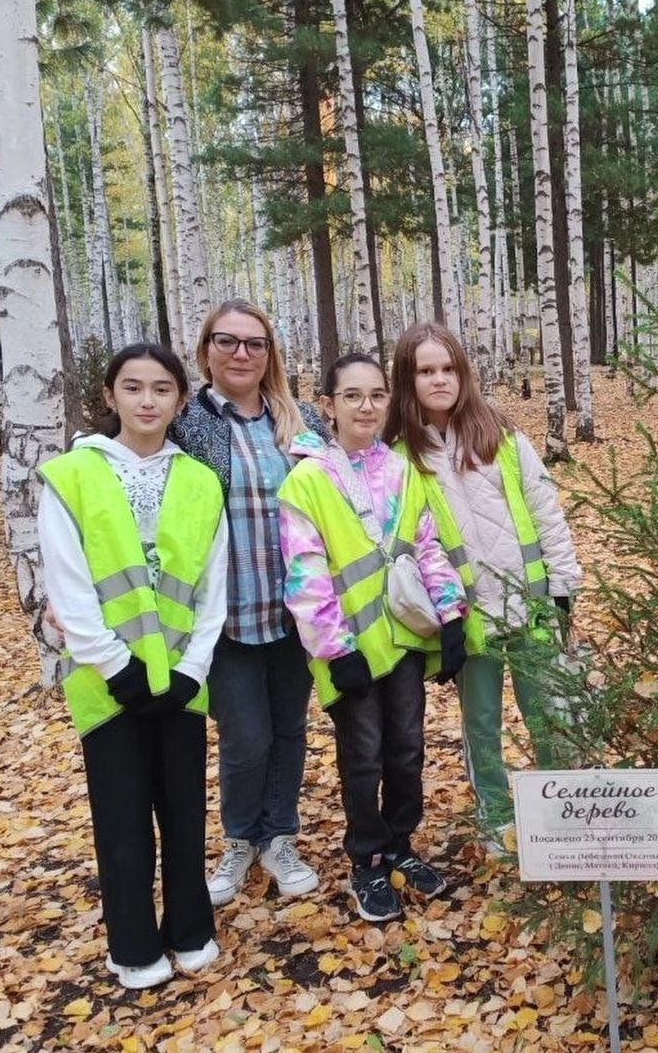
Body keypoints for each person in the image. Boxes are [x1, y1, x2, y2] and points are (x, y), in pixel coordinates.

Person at [36, 343, 229, 989]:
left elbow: (213, 587)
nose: (148, 401)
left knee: (183, 813)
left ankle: (190, 930)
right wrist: (114, 664)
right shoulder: (74, 474)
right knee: (121, 818)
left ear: (179, 400)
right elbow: (67, 583)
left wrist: (192, 667)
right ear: (111, 394)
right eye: (133, 387)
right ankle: (134, 945)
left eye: (162, 389)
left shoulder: (201, 481)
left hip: (181, 682)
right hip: (106, 684)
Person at [278, 353, 471, 923]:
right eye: (353, 396)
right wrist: (335, 651)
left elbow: (426, 545)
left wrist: (451, 614)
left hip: (405, 641)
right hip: (352, 652)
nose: (367, 406)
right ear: (328, 404)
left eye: (377, 395)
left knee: (407, 752)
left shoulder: (402, 471)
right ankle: (367, 859)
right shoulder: (306, 480)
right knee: (362, 758)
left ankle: (401, 846)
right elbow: (305, 576)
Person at [383, 322, 583, 858]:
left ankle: (561, 815)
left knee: (550, 718)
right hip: (470, 620)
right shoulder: (401, 458)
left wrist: (563, 589)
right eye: (426, 371)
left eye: (448, 368)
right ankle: (497, 818)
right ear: (408, 379)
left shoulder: (503, 437)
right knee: (483, 726)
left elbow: (547, 513)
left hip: (534, 607)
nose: (439, 379)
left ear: (463, 373)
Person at [168, 301, 331, 907]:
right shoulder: (186, 423)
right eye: (228, 342)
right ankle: (240, 840)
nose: (242, 354)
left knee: (289, 730)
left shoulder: (302, 421)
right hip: (227, 614)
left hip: (295, 610)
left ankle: (279, 837)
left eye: (255, 344)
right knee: (245, 737)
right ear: (207, 348)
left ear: (271, 353)